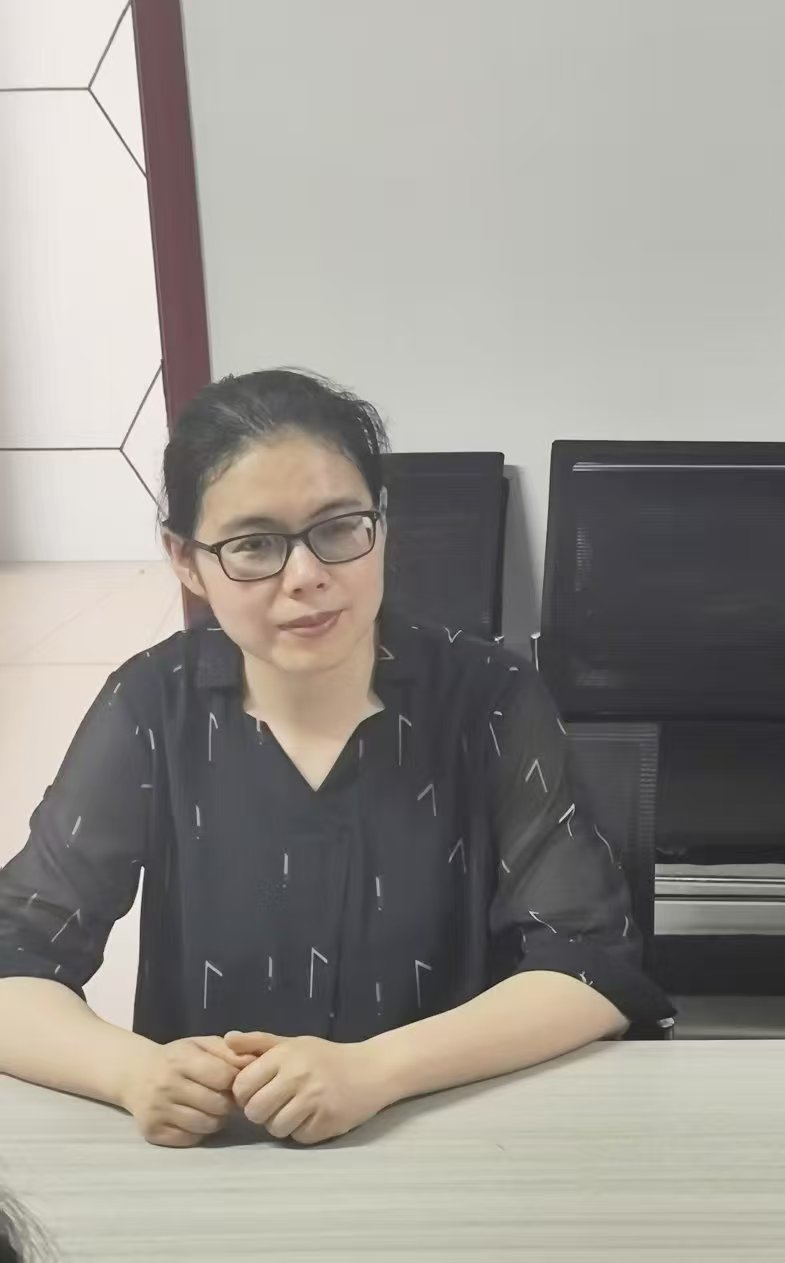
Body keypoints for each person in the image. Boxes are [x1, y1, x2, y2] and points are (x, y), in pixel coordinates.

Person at [0, 370, 671, 1148]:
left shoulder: (489, 694)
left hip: (452, 1136)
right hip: (220, 1160)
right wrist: (128, 1070)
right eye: (254, 545)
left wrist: (374, 1070)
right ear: (186, 560)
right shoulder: (152, 705)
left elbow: (589, 965)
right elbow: (17, 953)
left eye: (340, 527)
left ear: (380, 521)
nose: (307, 576)